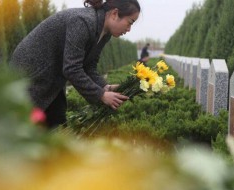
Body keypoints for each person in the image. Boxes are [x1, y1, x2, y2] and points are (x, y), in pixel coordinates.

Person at [10, 0, 141, 128]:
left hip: (53, 76)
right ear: (114, 13)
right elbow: (72, 68)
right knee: (25, 127)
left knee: (57, 124)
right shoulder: (83, 21)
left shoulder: (105, 33)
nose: (129, 29)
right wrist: (100, 95)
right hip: (31, 72)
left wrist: (105, 87)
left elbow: (88, 66)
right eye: (129, 22)